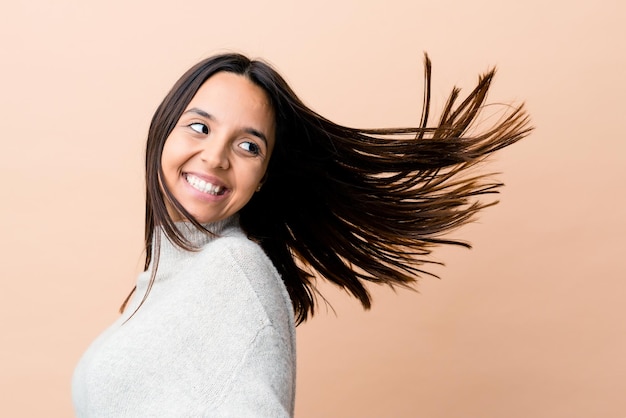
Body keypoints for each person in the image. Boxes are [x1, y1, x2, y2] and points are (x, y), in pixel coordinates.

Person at [71, 52, 531, 417]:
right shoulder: (160, 282)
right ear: (163, 131)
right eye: (200, 126)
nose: (215, 156)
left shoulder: (233, 272)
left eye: (248, 146)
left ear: (264, 176)